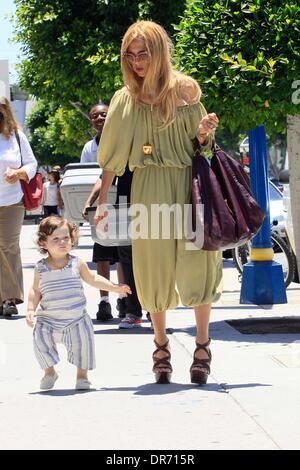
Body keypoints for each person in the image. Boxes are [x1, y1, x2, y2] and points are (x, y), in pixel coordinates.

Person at [94, 21, 222, 384]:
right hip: (147, 189)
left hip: (187, 186)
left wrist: (202, 133)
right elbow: (112, 159)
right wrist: (103, 204)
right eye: (130, 55)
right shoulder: (125, 99)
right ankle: (161, 346)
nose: (136, 62)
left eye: (144, 54)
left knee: (198, 260)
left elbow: (204, 149)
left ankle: (201, 346)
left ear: (160, 52)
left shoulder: (185, 91)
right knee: (153, 266)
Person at [26, 215, 131, 390]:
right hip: (48, 320)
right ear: (43, 243)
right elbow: (35, 290)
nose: (62, 242)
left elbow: (93, 278)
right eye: (56, 239)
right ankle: (49, 372)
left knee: (84, 344)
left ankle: (82, 376)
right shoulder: (41, 267)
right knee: (40, 342)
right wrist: (31, 309)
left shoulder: (77, 263)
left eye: (66, 238)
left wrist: (114, 287)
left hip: (76, 319)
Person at [82, 103, 143, 327]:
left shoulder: (146, 135)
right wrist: (97, 202)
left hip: (153, 201)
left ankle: (156, 306)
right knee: (124, 256)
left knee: (151, 257)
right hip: (125, 205)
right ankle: (132, 310)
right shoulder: (114, 143)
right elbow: (105, 174)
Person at [0, 97, 38, 317]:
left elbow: (31, 163)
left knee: (8, 245)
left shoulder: (15, 136)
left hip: (12, 201)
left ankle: (9, 297)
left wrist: (19, 173)